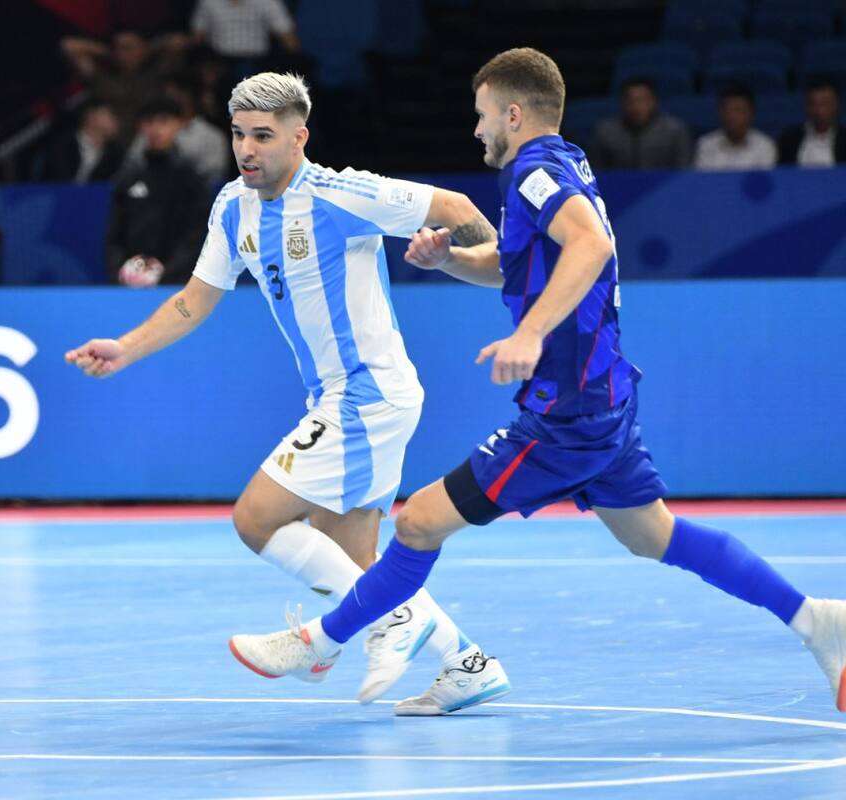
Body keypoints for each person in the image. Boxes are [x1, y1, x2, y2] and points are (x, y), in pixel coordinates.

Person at [230, 48, 846, 717]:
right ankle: (816, 619)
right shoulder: (564, 162)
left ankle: (319, 643)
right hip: (604, 397)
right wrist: (449, 259)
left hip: (567, 414)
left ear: (514, 114)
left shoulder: (532, 170)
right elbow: (515, 263)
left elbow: (591, 246)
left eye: (482, 115)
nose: (477, 129)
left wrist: (528, 334)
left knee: (418, 524)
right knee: (652, 535)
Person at [66, 72, 508, 705]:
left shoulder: (339, 193)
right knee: (352, 561)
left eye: (263, 136)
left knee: (256, 518)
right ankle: (468, 664)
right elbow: (195, 300)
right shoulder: (232, 206)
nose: (247, 149)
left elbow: (457, 208)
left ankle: (395, 621)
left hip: (366, 394)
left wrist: (507, 270)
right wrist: (126, 347)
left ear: (299, 137)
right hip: (344, 397)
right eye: (238, 134)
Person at [104, 97, 210, 286]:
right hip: (131, 283)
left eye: (164, 121)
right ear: (141, 127)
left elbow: (196, 235)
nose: (156, 129)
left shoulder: (191, 179)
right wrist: (121, 271)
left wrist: (166, 273)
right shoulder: (129, 178)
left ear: (179, 124)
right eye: (149, 122)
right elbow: (115, 235)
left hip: (178, 283)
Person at [588, 77, 690, 169]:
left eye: (642, 100)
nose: (636, 106)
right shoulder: (605, 132)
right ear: (622, 103)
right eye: (630, 100)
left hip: (667, 183)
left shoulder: (674, 130)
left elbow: (683, 171)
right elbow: (595, 171)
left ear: (654, 101)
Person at [29, 98, 124, 184]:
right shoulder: (63, 144)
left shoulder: (115, 153)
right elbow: (56, 179)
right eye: (111, 116)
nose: (116, 121)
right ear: (91, 116)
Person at [693, 86, 777, 171]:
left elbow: (764, 178)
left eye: (738, 110)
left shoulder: (765, 145)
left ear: (751, 113)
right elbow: (703, 178)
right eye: (728, 111)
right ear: (720, 113)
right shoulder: (706, 145)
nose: (732, 116)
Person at [778, 79, 845, 167]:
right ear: (806, 106)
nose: (819, 111)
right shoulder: (789, 140)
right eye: (813, 104)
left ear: (836, 105)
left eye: (825, 104)